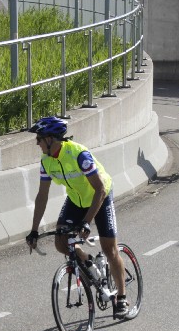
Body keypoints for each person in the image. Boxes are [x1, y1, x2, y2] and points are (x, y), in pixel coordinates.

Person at [25, 116, 131, 318]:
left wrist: (86, 223)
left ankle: (122, 298)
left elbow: (100, 189)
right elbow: (42, 195)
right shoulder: (46, 161)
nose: (37, 143)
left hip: (100, 196)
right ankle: (87, 261)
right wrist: (34, 230)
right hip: (76, 200)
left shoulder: (79, 155)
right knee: (61, 242)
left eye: (39, 139)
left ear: (50, 139)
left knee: (109, 249)